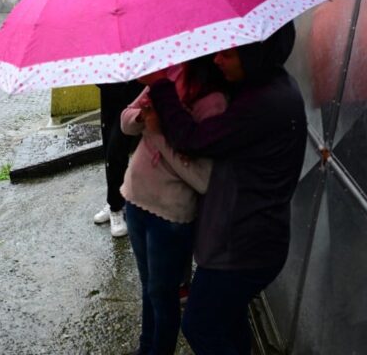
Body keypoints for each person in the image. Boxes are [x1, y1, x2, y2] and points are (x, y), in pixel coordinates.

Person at [146, 23, 305, 355]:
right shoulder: (269, 85)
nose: (217, 60)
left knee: (200, 324)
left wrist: (161, 86)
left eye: (228, 53)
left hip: (243, 248)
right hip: (255, 240)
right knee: (227, 318)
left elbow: (193, 139)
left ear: (254, 54)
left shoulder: (265, 104)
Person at [122, 57, 227, 355]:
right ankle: (147, 347)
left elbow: (203, 178)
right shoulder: (170, 75)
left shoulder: (212, 102)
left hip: (169, 217)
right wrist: (141, 119)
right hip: (135, 200)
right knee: (148, 287)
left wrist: (156, 132)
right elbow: (125, 119)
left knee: (162, 294)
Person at [93, 82, 144, 237]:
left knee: (117, 147)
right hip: (110, 89)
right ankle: (115, 203)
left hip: (135, 91)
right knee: (109, 147)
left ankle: (117, 206)